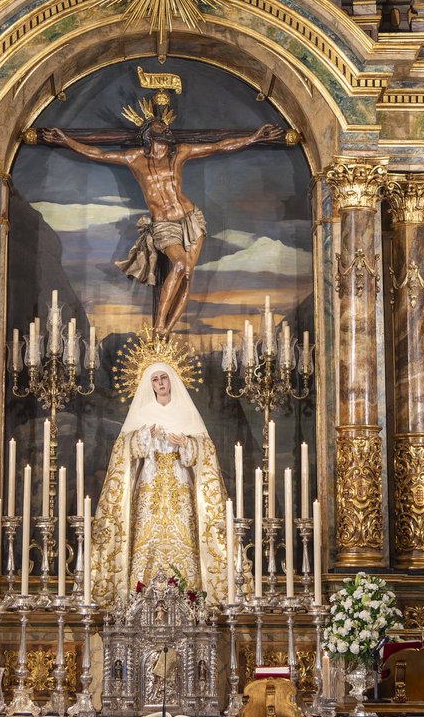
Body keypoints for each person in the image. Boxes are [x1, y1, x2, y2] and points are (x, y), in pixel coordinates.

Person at [43, 113, 282, 333]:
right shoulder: (134, 158)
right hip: (164, 225)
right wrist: (66, 141)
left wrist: (253, 138)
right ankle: (158, 327)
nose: (163, 145)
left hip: (191, 218)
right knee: (178, 265)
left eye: (165, 139)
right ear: (148, 138)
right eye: (159, 139)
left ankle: (166, 332)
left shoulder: (179, 153)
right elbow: (99, 153)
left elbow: (218, 146)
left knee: (187, 273)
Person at [88, 361, 230, 605]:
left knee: (183, 535)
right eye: (155, 379)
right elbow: (122, 450)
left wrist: (187, 444)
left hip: (180, 486)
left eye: (164, 377)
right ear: (149, 384)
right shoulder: (142, 413)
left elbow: (206, 451)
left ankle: (188, 597)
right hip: (149, 486)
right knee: (147, 536)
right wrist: (143, 437)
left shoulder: (186, 413)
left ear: (172, 380)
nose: (161, 383)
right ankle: (140, 596)